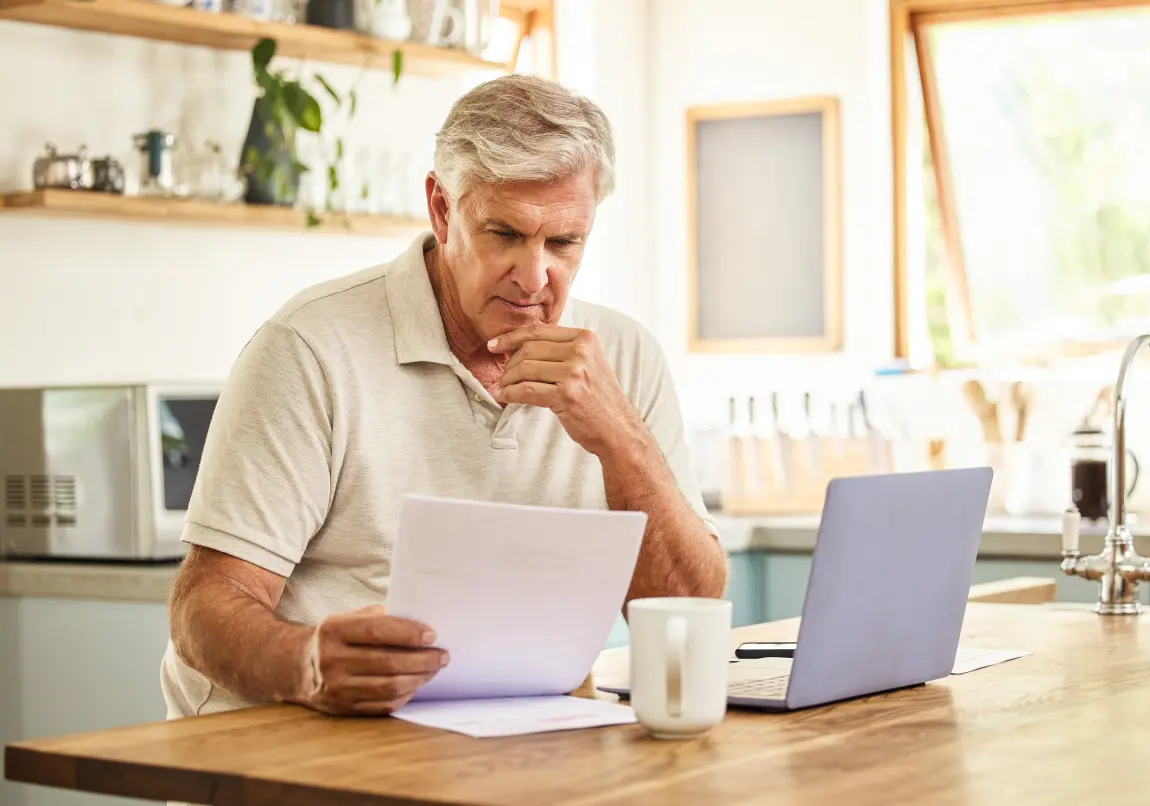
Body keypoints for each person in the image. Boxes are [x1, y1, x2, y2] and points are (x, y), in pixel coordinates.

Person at [161, 74, 727, 719]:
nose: (535, 276)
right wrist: (307, 663)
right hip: (290, 730)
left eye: (564, 242)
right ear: (441, 208)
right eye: (504, 234)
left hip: (511, 733)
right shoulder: (309, 346)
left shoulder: (623, 356)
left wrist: (620, 438)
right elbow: (203, 606)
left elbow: (689, 607)